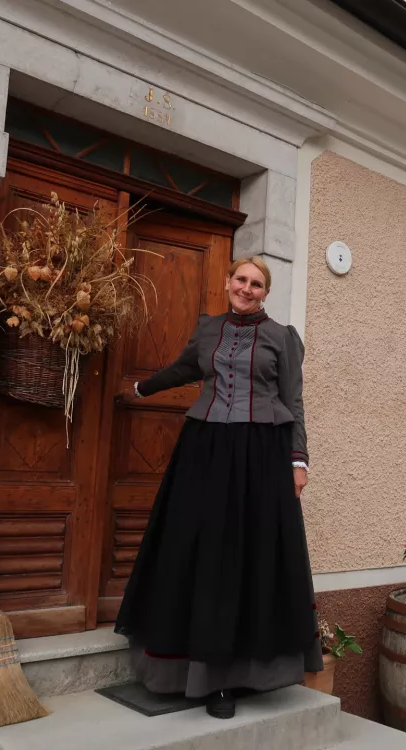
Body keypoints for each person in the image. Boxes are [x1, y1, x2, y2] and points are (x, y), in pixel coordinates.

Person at [114, 256, 321, 720]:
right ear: (228, 282)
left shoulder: (282, 338)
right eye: (241, 280)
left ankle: (228, 678)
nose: (247, 288)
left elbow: (293, 401)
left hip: (262, 454)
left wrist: (298, 460)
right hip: (204, 450)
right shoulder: (207, 330)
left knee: (244, 554)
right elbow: (182, 369)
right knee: (199, 549)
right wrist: (140, 390)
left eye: (257, 284)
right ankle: (191, 668)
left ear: (266, 292)